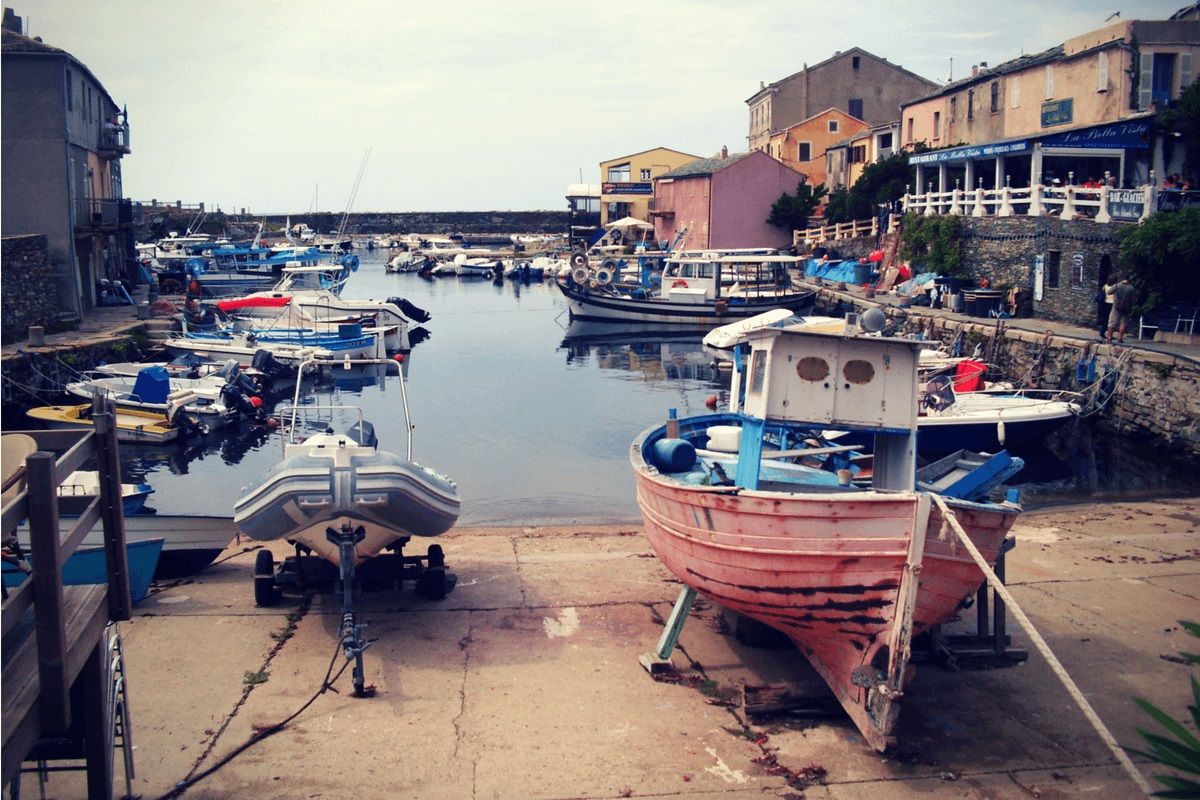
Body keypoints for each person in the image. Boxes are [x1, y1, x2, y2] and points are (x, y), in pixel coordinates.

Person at [1106, 277, 1136, 344]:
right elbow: (1133, 300)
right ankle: (1120, 338)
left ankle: (1109, 338)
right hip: (1126, 308)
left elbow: (1109, 292)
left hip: (1116, 306)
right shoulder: (1131, 288)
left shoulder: (1116, 286)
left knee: (1112, 322)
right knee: (1123, 323)